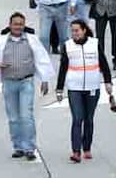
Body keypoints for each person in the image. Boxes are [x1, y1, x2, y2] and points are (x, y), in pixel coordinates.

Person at [0, 12, 54, 161]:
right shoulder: (2, 40)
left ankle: (29, 148)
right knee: (13, 118)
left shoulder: (31, 40)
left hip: (26, 82)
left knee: (26, 116)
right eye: (15, 24)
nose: (18, 27)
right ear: (10, 25)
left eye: (20, 24)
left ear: (24, 25)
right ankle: (18, 147)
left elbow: (41, 59)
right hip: (9, 83)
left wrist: (44, 80)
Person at [54, 19, 113, 163]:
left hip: (92, 87)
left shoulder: (94, 43)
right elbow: (63, 68)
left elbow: (103, 62)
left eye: (77, 30)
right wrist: (59, 89)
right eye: (72, 31)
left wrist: (108, 81)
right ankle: (76, 151)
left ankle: (87, 147)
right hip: (75, 87)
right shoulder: (67, 46)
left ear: (84, 30)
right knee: (77, 119)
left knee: (89, 119)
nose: (74, 33)